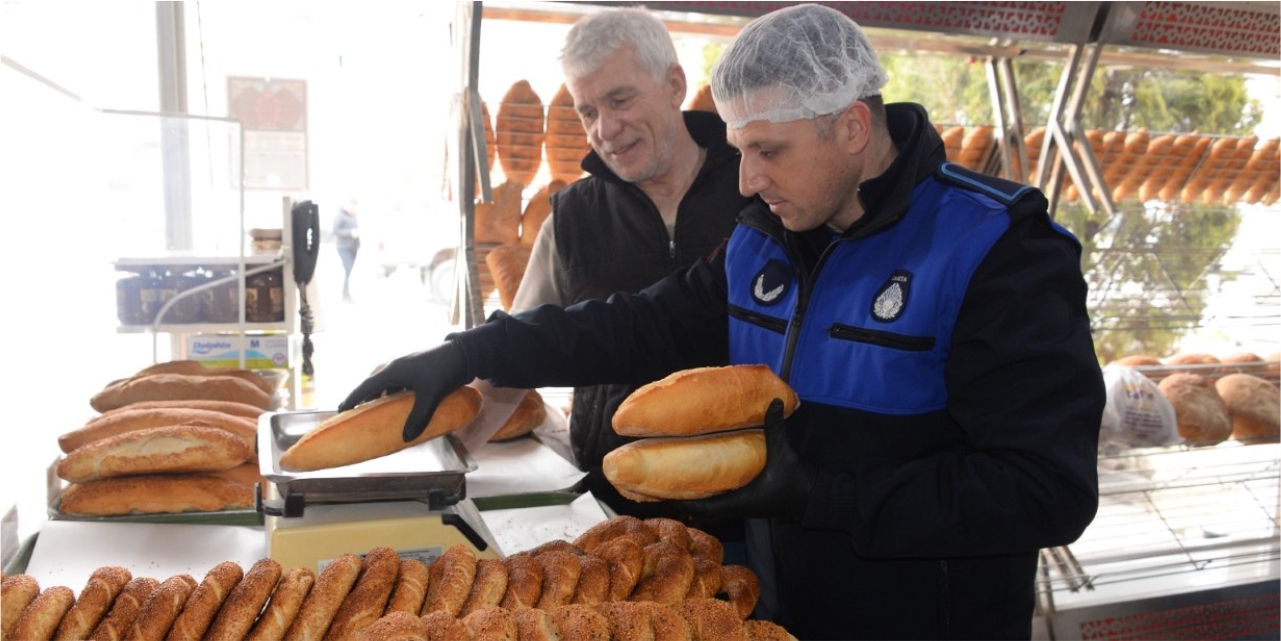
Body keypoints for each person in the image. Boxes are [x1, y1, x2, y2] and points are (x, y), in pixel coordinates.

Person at [341, 4, 1104, 639]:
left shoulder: (996, 248)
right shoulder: (764, 239)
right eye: (739, 150)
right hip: (770, 614)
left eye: (766, 150)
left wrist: (821, 491)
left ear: (851, 128)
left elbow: (1047, 491)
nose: (745, 178)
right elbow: (633, 325)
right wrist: (471, 350)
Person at [509, 10, 752, 538]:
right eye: (587, 111)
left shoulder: (758, 188)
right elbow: (516, 356)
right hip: (615, 515)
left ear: (674, 84)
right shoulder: (569, 219)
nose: (604, 129)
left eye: (619, 100)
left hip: (756, 510)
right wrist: (440, 458)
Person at [333, 199, 360, 303]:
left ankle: (348, 293)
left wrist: (358, 245)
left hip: (353, 247)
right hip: (343, 247)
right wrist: (350, 232)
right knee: (348, 269)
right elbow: (335, 231)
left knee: (351, 270)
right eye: (352, 206)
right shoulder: (340, 216)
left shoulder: (354, 216)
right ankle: (346, 295)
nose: (353, 209)